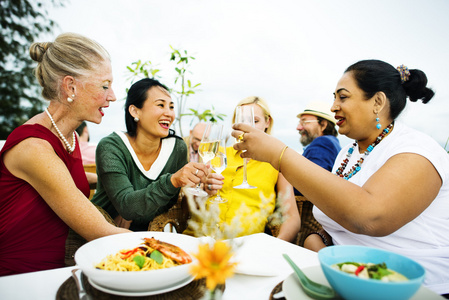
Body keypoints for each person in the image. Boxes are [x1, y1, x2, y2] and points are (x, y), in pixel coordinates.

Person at [231, 60, 449, 296]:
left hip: (412, 289)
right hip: (343, 279)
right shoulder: (347, 154)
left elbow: (369, 217)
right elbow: (336, 218)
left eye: (343, 97)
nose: (333, 106)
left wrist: (279, 154)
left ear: (378, 101)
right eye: (334, 97)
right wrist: (317, 239)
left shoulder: (417, 149)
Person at [0, 33, 130, 276]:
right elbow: (99, 231)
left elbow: (66, 181)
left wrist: (113, 181)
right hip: (25, 278)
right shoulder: (34, 147)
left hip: (64, 269)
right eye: (105, 85)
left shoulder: (67, 137)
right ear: (71, 86)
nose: (113, 96)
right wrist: (174, 250)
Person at [91, 78, 209, 231]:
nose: (169, 113)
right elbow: (127, 205)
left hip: (150, 236)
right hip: (100, 232)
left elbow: (167, 204)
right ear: (135, 111)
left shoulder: (177, 148)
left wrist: (203, 187)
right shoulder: (112, 147)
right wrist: (172, 181)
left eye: (171, 107)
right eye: (160, 105)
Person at [203, 96, 301, 242]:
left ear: (267, 122)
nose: (248, 127)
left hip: (244, 245)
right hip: (201, 237)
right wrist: (206, 188)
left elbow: (292, 217)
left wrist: (277, 244)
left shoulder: (277, 162)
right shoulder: (220, 154)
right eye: (243, 121)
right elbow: (192, 199)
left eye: (255, 121)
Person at [294, 101, 341, 195]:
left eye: (304, 122)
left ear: (323, 124)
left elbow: (312, 184)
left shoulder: (323, 143)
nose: (298, 127)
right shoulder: (332, 143)